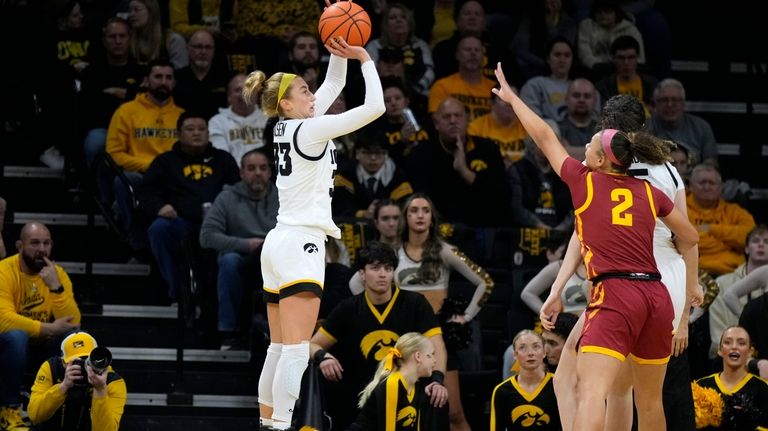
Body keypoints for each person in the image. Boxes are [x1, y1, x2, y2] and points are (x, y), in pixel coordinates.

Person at [493, 62, 699, 431]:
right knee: (649, 401)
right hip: (658, 292)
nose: (585, 144)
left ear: (603, 158)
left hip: (616, 291)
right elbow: (692, 237)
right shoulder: (652, 187)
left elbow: (544, 136)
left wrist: (513, 98)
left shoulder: (585, 181)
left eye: (591, 143)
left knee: (590, 390)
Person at [240, 35, 385, 430]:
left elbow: (334, 86)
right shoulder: (312, 130)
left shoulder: (288, 126)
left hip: (278, 241)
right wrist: (364, 57)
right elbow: (376, 107)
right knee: (296, 350)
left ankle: (268, 422)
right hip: (301, 242)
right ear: (287, 102)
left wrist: (338, 45)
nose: (313, 92)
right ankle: (284, 424)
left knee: (277, 347)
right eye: (305, 89)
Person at [351, 193, 491, 431]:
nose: (420, 215)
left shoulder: (445, 251)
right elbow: (356, 283)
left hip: (437, 336)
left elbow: (485, 282)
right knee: (404, 409)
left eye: (425, 210)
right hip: (404, 338)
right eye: (413, 210)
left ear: (432, 218)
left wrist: (465, 317)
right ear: (405, 217)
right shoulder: (391, 253)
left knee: (453, 413)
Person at [310, 242, 447, 430]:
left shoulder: (415, 303)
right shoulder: (348, 308)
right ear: (362, 273)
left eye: (388, 268)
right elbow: (312, 344)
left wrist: (437, 380)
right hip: (360, 401)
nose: (382, 274)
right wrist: (323, 357)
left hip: (407, 398)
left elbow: (437, 345)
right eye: (375, 268)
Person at [140, 111, 239, 302]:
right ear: (178, 133)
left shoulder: (223, 159)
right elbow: (146, 192)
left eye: (202, 129)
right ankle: (176, 289)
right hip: (181, 222)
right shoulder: (165, 161)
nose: (196, 133)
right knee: (159, 229)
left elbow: (238, 191)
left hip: (219, 224)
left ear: (208, 133)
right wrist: (160, 207)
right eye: (190, 129)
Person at [0, 222, 81, 431]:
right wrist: (50, 329)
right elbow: (3, 319)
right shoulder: (4, 270)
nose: (42, 249)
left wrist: (56, 288)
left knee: (75, 337)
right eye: (34, 243)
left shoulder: (57, 274)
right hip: (9, 347)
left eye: (46, 243)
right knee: (16, 336)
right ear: (19, 246)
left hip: (41, 347)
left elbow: (74, 322)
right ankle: (9, 410)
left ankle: (62, 410)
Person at [199, 149, 279, 350]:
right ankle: (229, 331)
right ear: (241, 173)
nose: (258, 173)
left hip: (276, 257)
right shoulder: (227, 197)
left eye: (263, 168)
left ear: (270, 172)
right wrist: (247, 244)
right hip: (243, 261)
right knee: (229, 261)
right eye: (251, 168)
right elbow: (206, 236)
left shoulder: (283, 196)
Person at [105, 59, 185, 254]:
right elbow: (113, 154)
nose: (163, 82)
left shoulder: (182, 115)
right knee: (124, 181)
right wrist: (151, 166)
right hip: (140, 176)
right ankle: (137, 241)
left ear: (174, 83)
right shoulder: (126, 111)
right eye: (158, 77)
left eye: (168, 77)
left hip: (173, 179)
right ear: (146, 81)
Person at [407, 98, 510, 227]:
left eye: (458, 116)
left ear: (468, 119)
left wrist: (464, 171)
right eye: (446, 117)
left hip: (484, 228)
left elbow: (501, 196)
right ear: (436, 123)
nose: (453, 121)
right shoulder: (421, 153)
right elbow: (420, 200)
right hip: (439, 229)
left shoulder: (488, 149)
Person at [27, 331, 127, 430]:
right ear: (62, 362)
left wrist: (100, 390)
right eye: (76, 362)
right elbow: (35, 416)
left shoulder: (112, 381)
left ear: (94, 360)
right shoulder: (51, 368)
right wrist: (62, 387)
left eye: (86, 361)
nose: (83, 367)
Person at [80, 17, 144, 171]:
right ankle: (97, 192)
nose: (118, 41)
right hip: (103, 127)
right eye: (112, 36)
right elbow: (89, 105)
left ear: (129, 39)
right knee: (96, 142)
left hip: (136, 129)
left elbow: (144, 102)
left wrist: (120, 94)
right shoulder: (92, 71)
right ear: (104, 41)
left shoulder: (141, 71)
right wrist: (128, 95)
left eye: (122, 36)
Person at [348, 332, 439, 431]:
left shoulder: (415, 385)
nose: (435, 360)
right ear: (418, 356)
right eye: (431, 355)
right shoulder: (392, 383)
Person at [708, 225, 768, 358]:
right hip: (727, 356)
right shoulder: (722, 283)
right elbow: (717, 333)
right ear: (746, 248)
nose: (761, 245)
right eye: (755, 241)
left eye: (766, 241)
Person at [687, 164, 756, 276]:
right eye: (702, 182)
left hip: (731, 274)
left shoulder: (735, 212)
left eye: (712, 183)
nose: (707, 187)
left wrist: (711, 229)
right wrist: (729, 242)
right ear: (690, 186)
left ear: (721, 187)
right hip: (689, 273)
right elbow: (680, 242)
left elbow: (750, 239)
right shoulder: (678, 209)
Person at [694, 326, 768, 430]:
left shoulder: (763, 389)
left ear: (750, 352)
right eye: (728, 342)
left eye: (741, 343)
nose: (734, 347)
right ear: (719, 350)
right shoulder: (701, 386)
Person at [491, 330, 561, 431]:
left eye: (536, 347)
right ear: (515, 355)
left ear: (544, 352)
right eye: (523, 348)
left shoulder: (558, 384)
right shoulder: (502, 391)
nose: (530, 353)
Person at [365, 3, 435, 99]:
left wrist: (415, 88)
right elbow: (368, 74)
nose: (399, 20)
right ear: (385, 25)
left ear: (409, 23)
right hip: (382, 96)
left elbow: (429, 71)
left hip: (417, 94)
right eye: (393, 17)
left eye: (403, 17)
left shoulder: (420, 45)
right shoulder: (374, 46)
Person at [332, 138, 413, 219]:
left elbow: (405, 209)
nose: (373, 158)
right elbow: (339, 208)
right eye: (367, 152)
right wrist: (364, 214)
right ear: (357, 154)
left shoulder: (398, 176)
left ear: (386, 155)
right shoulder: (345, 175)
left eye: (378, 153)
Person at [647, 79, 718, 166]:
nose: (670, 104)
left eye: (675, 100)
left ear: (683, 103)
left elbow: (711, 163)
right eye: (664, 100)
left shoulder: (701, 128)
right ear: (655, 103)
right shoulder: (644, 129)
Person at [428, 34, 496, 122]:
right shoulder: (441, 86)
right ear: (457, 55)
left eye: (477, 50)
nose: (473, 53)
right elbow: (437, 121)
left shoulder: (495, 89)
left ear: (483, 56)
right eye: (468, 49)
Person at [208, 72, 269, 166]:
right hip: (232, 176)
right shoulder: (217, 122)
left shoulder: (269, 119)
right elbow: (222, 157)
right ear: (229, 97)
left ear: (256, 95)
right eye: (237, 90)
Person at [576, 0, 645, 80]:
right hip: (595, 71)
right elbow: (584, 54)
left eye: (607, 11)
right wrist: (599, 66)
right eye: (599, 12)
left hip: (625, 73)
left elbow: (640, 59)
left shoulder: (630, 30)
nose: (603, 15)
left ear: (616, 13)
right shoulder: (586, 26)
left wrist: (619, 66)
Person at [595, 35, 658, 117]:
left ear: (637, 58)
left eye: (631, 57)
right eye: (621, 58)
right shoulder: (604, 87)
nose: (626, 63)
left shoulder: (652, 84)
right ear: (613, 59)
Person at [467, 86, 529, 166]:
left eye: (513, 98)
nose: (508, 103)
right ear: (492, 104)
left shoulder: (528, 127)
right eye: (503, 98)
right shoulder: (475, 128)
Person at [173, 30, 228, 120]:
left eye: (208, 47)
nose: (203, 52)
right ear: (188, 49)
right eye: (198, 47)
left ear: (214, 51)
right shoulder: (177, 78)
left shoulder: (226, 78)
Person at [519, 36, 576, 123]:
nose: (562, 60)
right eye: (557, 55)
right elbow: (530, 118)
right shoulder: (534, 85)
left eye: (567, 55)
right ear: (548, 59)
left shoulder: (582, 88)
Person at [128, 0, 188, 69]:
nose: (131, 14)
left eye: (136, 9)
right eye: (130, 10)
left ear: (151, 12)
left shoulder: (173, 40)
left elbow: (181, 73)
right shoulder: (127, 40)